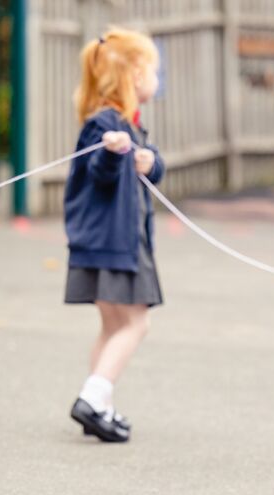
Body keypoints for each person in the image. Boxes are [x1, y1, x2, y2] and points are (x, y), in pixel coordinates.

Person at [63, 28, 165, 443]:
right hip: (114, 243)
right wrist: (111, 152)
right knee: (136, 323)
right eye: (153, 70)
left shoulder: (128, 126)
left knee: (111, 326)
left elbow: (149, 169)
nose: (156, 78)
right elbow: (99, 176)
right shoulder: (104, 125)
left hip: (109, 242)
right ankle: (92, 396)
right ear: (135, 75)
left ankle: (100, 406)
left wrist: (150, 162)